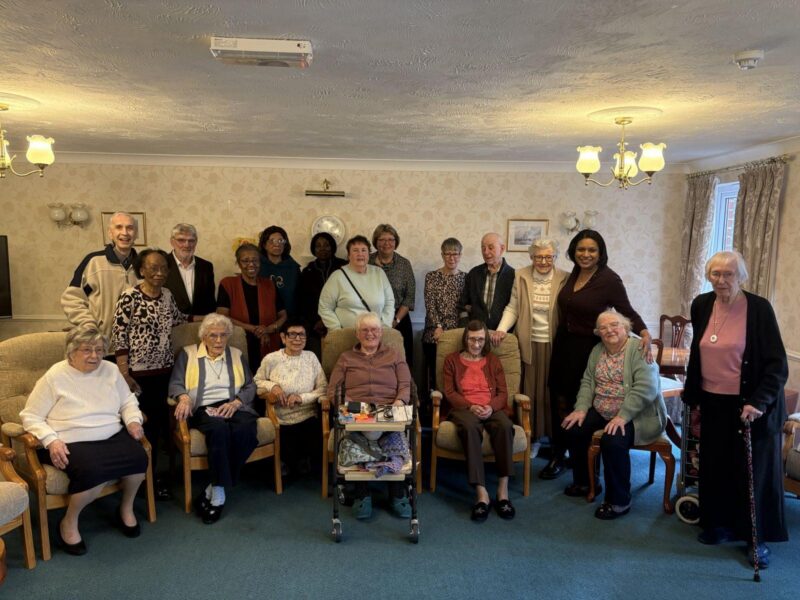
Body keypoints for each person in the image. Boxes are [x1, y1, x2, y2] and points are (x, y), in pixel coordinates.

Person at [684, 251, 788, 568]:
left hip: (751, 405)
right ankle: (720, 524)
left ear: (741, 276)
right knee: (715, 464)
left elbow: (777, 364)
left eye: (728, 274)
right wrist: (693, 395)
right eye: (715, 273)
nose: (721, 280)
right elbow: (697, 352)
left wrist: (758, 401)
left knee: (751, 470)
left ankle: (757, 539)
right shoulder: (702, 304)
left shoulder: (758, 309)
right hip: (713, 400)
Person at [20, 326, 148, 555]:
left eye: (99, 350)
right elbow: (30, 416)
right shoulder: (55, 376)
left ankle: (126, 508)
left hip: (111, 433)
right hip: (70, 439)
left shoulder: (110, 370)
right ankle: (69, 522)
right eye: (87, 350)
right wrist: (51, 440)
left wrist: (133, 421)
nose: (95, 356)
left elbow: (128, 402)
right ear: (71, 352)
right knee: (93, 471)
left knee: (139, 459)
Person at [542, 229, 651, 480]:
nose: (586, 254)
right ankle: (560, 454)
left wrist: (644, 333)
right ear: (573, 251)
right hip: (563, 345)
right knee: (558, 398)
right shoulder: (573, 275)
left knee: (583, 402)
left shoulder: (609, 279)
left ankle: (586, 463)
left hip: (588, 348)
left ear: (600, 253)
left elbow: (627, 311)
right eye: (581, 249)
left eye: (592, 250)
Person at [561, 311, 667, 520]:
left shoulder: (638, 348)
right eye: (603, 327)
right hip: (603, 408)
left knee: (613, 441)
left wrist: (623, 416)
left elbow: (646, 388)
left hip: (637, 414)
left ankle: (619, 500)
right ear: (597, 333)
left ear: (626, 327)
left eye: (614, 325)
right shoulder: (597, 350)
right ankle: (586, 482)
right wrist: (581, 408)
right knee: (574, 428)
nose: (609, 330)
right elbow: (588, 381)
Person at [112, 248, 187, 499]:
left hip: (165, 372)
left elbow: (179, 319)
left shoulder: (167, 295)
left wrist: (211, 318)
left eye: (164, 267)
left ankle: (153, 478)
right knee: (142, 425)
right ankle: (141, 480)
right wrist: (124, 373)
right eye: (153, 267)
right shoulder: (129, 297)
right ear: (141, 270)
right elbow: (119, 336)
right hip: (137, 375)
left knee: (161, 428)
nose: (159, 272)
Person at [169, 313, 259, 524]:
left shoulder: (236, 354)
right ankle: (218, 496)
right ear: (204, 337)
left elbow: (250, 385)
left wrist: (237, 402)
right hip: (202, 408)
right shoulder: (188, 354)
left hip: (232, 404)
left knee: (247, 429)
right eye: (213, 336)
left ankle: (213, 485)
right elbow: (175, 383)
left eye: (223, 335)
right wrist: (183, 398)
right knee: (218, 430)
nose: (218, 341)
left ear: (228, 336)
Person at [327, 312, 412, 519]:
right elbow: (333, 391)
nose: (370, 334)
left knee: (391, 433)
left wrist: (398, 403)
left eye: (374, 329)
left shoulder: (394, 355)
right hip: (358, 413)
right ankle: (362, 495)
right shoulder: (346, 358)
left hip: (388, 411)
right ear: (357, 334)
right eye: (365, 330)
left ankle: (397, 495)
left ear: (381, 332)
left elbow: (405, 384)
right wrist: (351, 407)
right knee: (359, 436)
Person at [492, 239, 568, 448]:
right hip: (528, 342)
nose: (543, 261)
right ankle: (531, 438)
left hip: (555, 344)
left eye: (548, 257)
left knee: (551, 393)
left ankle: (556, 441)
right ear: (531, 257)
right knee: (530, 392)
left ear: (555, 257)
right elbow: (513, 307)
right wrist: (501, 329)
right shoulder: (521, 275)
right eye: (538, 256)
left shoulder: (565, 278)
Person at [443, 320, 515, 522]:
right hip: (464, 408)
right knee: (469, 427)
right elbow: (449, 392)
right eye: (472, 339)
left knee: (505, 426)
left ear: (485, 341)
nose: (476, 344)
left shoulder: (493, 360)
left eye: (480, 340)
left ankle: (503, 492)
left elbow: (503, 392)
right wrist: (469, 406)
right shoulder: (451, 360)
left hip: (491, 407)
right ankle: (481, 494)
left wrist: (491, 406)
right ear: (465, 338)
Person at [254, 318, 327, 479]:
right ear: (283, 338)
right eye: (292, 334)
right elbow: (256, 382)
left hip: (307, 415)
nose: (297, 339)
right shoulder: (271, 359)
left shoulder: (311, 358)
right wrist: (272, 386)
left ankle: (301, 460)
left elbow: (323, 388)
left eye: (302, 335)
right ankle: (286, 462)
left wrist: (301, 398)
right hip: (280, 417)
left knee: (312, 436)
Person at [61, 211, 139, 349]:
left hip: (135, 348)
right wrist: (88, 325)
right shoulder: (93, 262)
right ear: (110, 233)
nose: (125, 232)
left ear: (136, 234)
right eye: (119, 227)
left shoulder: (144, 266)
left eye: (130, 228)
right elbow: (72, 298)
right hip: (101, 347)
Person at [217, 243, 288, 374]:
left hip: (269, 342)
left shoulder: (270, 285)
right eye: (245, 261)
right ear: (238, 263)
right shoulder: (227, 284)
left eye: (255, 260)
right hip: (239, 343)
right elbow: (222, 316)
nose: (251, 264)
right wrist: (254, 329)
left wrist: (268, 329)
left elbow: (283, 315)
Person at [422, 237, 466, 415]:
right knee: (435, 374)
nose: (451, 258)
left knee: (456, 376)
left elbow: (466, 307)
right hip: (434, 332)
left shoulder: (466, 278)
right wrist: (438, 326)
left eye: (455, 254)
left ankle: (452, 409)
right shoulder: (432, 277)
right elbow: (430, 304)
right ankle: (433, 411)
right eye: (447, 254)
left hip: (457, 333)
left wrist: (457, 332)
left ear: (460, 255)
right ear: (442, 255)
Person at [318, 235, 394, 331]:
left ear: (368, 254)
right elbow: (324, 307)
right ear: (349, 255)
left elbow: (390, 302)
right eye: (355, 250)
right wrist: (336, 329)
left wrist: (384, 326)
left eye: (363, 250)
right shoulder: (337, 276)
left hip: (375, 335)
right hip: (346, 335)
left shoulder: (379, 273)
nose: (360, 254)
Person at [369, 224, 416, 367]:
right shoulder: (367, 261)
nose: (386, 243)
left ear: (396, 242)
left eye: (391, 239)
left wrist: (395, 320)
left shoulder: (404, 264)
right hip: (371, 317)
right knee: (373, 359)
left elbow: (410, 296)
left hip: (399, 318)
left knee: (402, 360)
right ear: (376, 242)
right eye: (382, 239)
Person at [298, 232, 347, 357]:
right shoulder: (308, 271)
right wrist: (317, 321)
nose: (322, 249)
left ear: (332, 247)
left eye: (326, 245)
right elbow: (303, 301)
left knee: (340, 358)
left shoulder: (344, 267)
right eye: (318, 246)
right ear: (313, 249)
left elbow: (347, 297)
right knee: (315, 359)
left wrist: (328, 320)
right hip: (314, 326)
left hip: (341, 322)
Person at [459, 232, 515, 331]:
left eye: (490, 247)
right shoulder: (473, 274)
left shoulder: (513, 276)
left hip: (502, 334)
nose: (486, 252)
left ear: (502, 249)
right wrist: (465, 327)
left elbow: (514, 309)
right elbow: (462, 305)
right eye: (483, 248)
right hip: (475, 333)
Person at [164, 223, 216, 316]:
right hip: (172, 326)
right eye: (181, 240)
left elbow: (210, 302)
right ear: (172, 242)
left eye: (191, 241)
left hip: (200, 325)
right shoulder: (162, 264)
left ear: (196, 242)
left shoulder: (206, 266)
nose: (187, 245)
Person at [258, 226, 301, 318]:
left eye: (280, 241)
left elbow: (299, 296)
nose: (277, 244)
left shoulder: (293, 267)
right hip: (262, 319)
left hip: (290, 319)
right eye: (272, 240)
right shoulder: (257, 266)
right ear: (264, 245)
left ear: (285, 245)